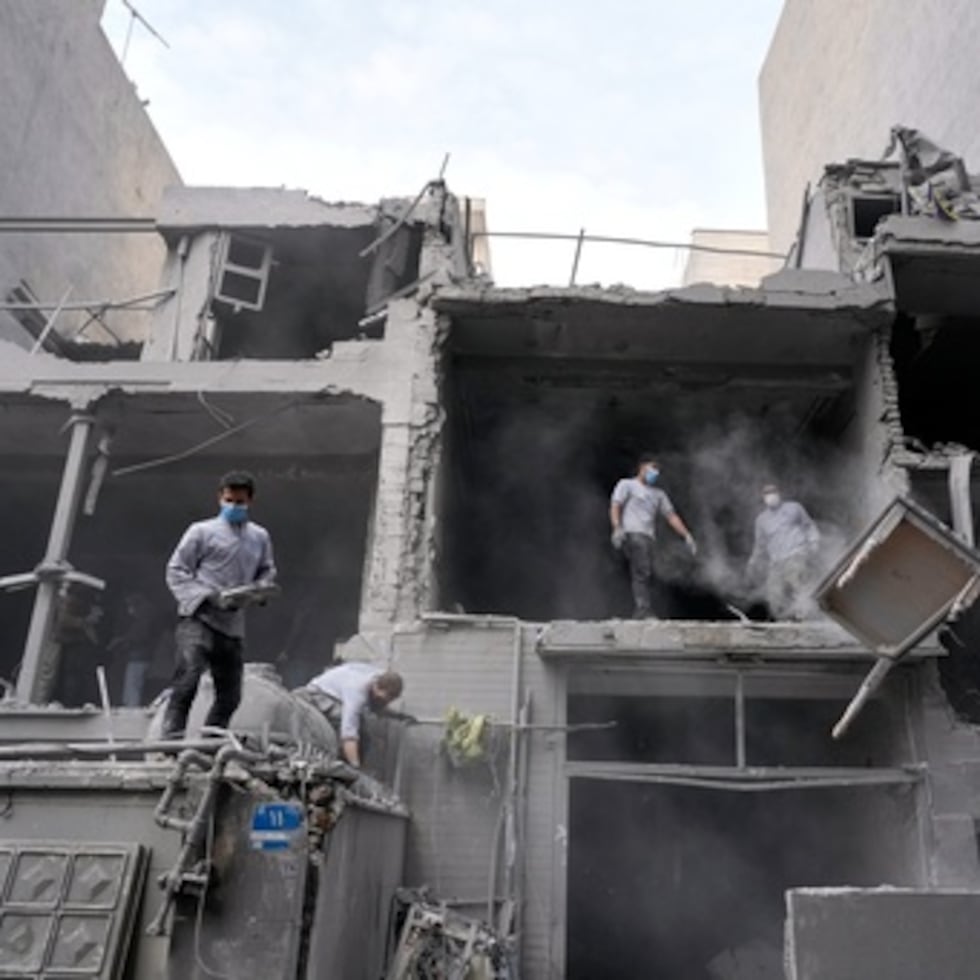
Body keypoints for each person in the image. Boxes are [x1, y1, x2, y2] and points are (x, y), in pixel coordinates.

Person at [162, 470, 277, 737]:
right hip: (198, 619)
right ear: (219, 498)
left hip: (233, 625)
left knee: (230, 695)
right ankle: (169, 742)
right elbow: (176, 570)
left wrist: (259, 591)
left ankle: (210, 744)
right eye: (229, 501)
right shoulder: (201, 531)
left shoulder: (259, 537)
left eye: (240, 502)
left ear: (250, 501)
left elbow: (267, 571)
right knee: (188, 679)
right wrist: (207, 595)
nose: (234, 507)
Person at [609, 454, 697, 619]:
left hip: (649, 537)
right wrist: (617, 528)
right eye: (652, 468)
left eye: (657, 470)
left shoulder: (658, 494)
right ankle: (643, 610)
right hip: (633, 533)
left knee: (646, 572)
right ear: (642, 467)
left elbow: (671, 516)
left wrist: (686, 535)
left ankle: (642, 609)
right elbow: (616, 505)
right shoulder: (627, 485)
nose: (655, 473)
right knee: (642, 570)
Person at [299, 662, 404, 768]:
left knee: (364, 733)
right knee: (348, 725)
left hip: (340, 690)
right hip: (319, 694)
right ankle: (346, 765)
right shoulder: (356, 693)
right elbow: (349, 734)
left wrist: (397, 715)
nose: (383, 702)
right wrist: (355, 766)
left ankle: (353, 762)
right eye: (381, 699)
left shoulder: (382, 677)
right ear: (375, 686)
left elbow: (378, 705)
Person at [746, 483, 820, 620]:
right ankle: (783, 622)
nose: (771, 497)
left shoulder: (794, 508)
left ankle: (806, 619)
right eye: (767, 494)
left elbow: (808, 526)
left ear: (779, 494)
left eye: (773, 493)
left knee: (799, 587)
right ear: (763, 498)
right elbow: (760, 545)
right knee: (774, 594)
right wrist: (753, 561)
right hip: (776, 562)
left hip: (795, 554)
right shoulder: (761, 520)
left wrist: (814, 542)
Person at [108, 592, 157, 707]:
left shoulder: (144, 620)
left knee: (133, 685)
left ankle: (132, 708)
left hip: (138, 658)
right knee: (134, 684)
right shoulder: (145, 619)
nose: (129, 610)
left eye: (130, 606)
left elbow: (139, 636)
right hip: (141, 657)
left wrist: (122, 641)